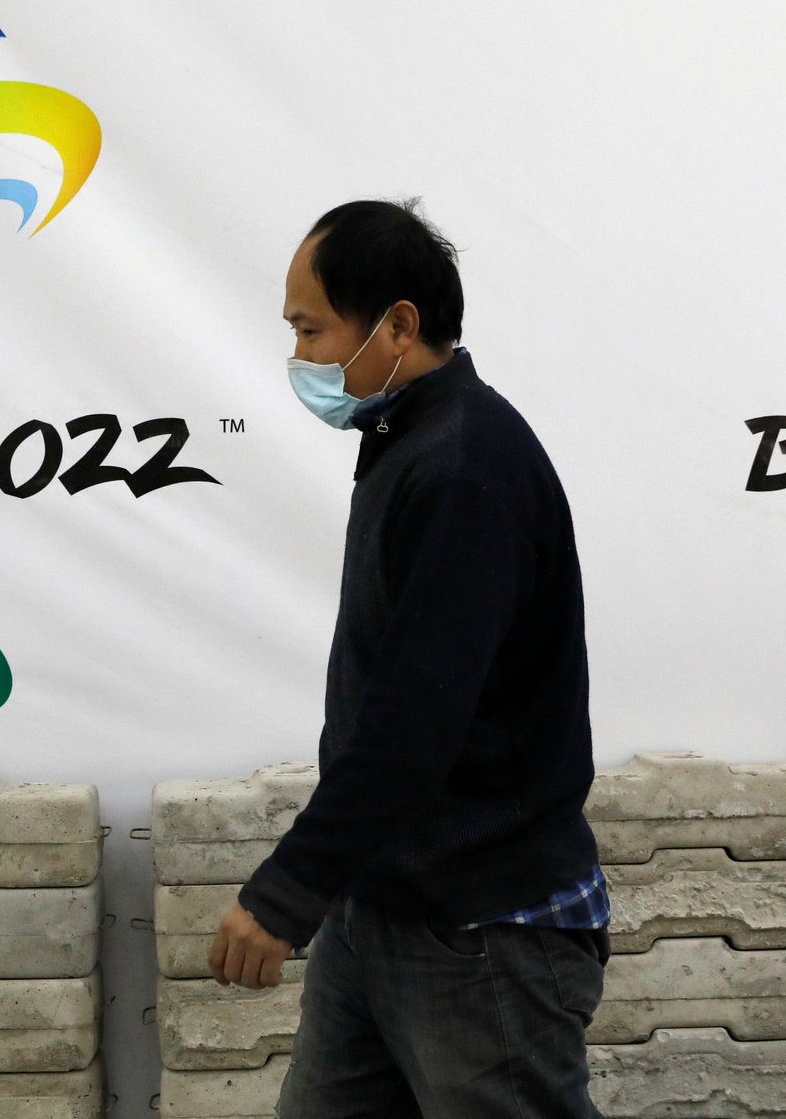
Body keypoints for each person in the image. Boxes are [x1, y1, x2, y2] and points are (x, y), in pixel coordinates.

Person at [208, 199, 607, 1118]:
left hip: (481, 931)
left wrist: (286, 894)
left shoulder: (465, 467)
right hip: (380, 906)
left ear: (397, 326)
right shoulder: (410, 441)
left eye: (311, 330)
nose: (299, 357)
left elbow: (416, 719)